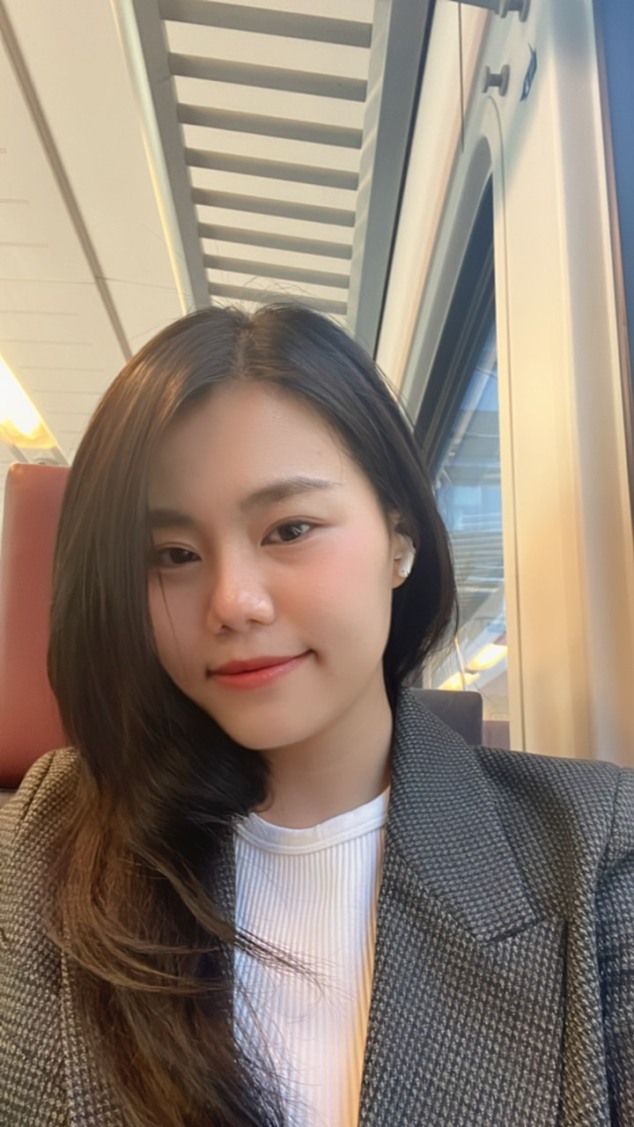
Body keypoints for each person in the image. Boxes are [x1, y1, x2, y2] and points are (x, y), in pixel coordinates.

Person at [0, 304, 632, 1127]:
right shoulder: (44, 840)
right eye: (173, 555)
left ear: (398, 536)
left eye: (290, 528)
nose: (234, 601)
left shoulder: (592, 847)